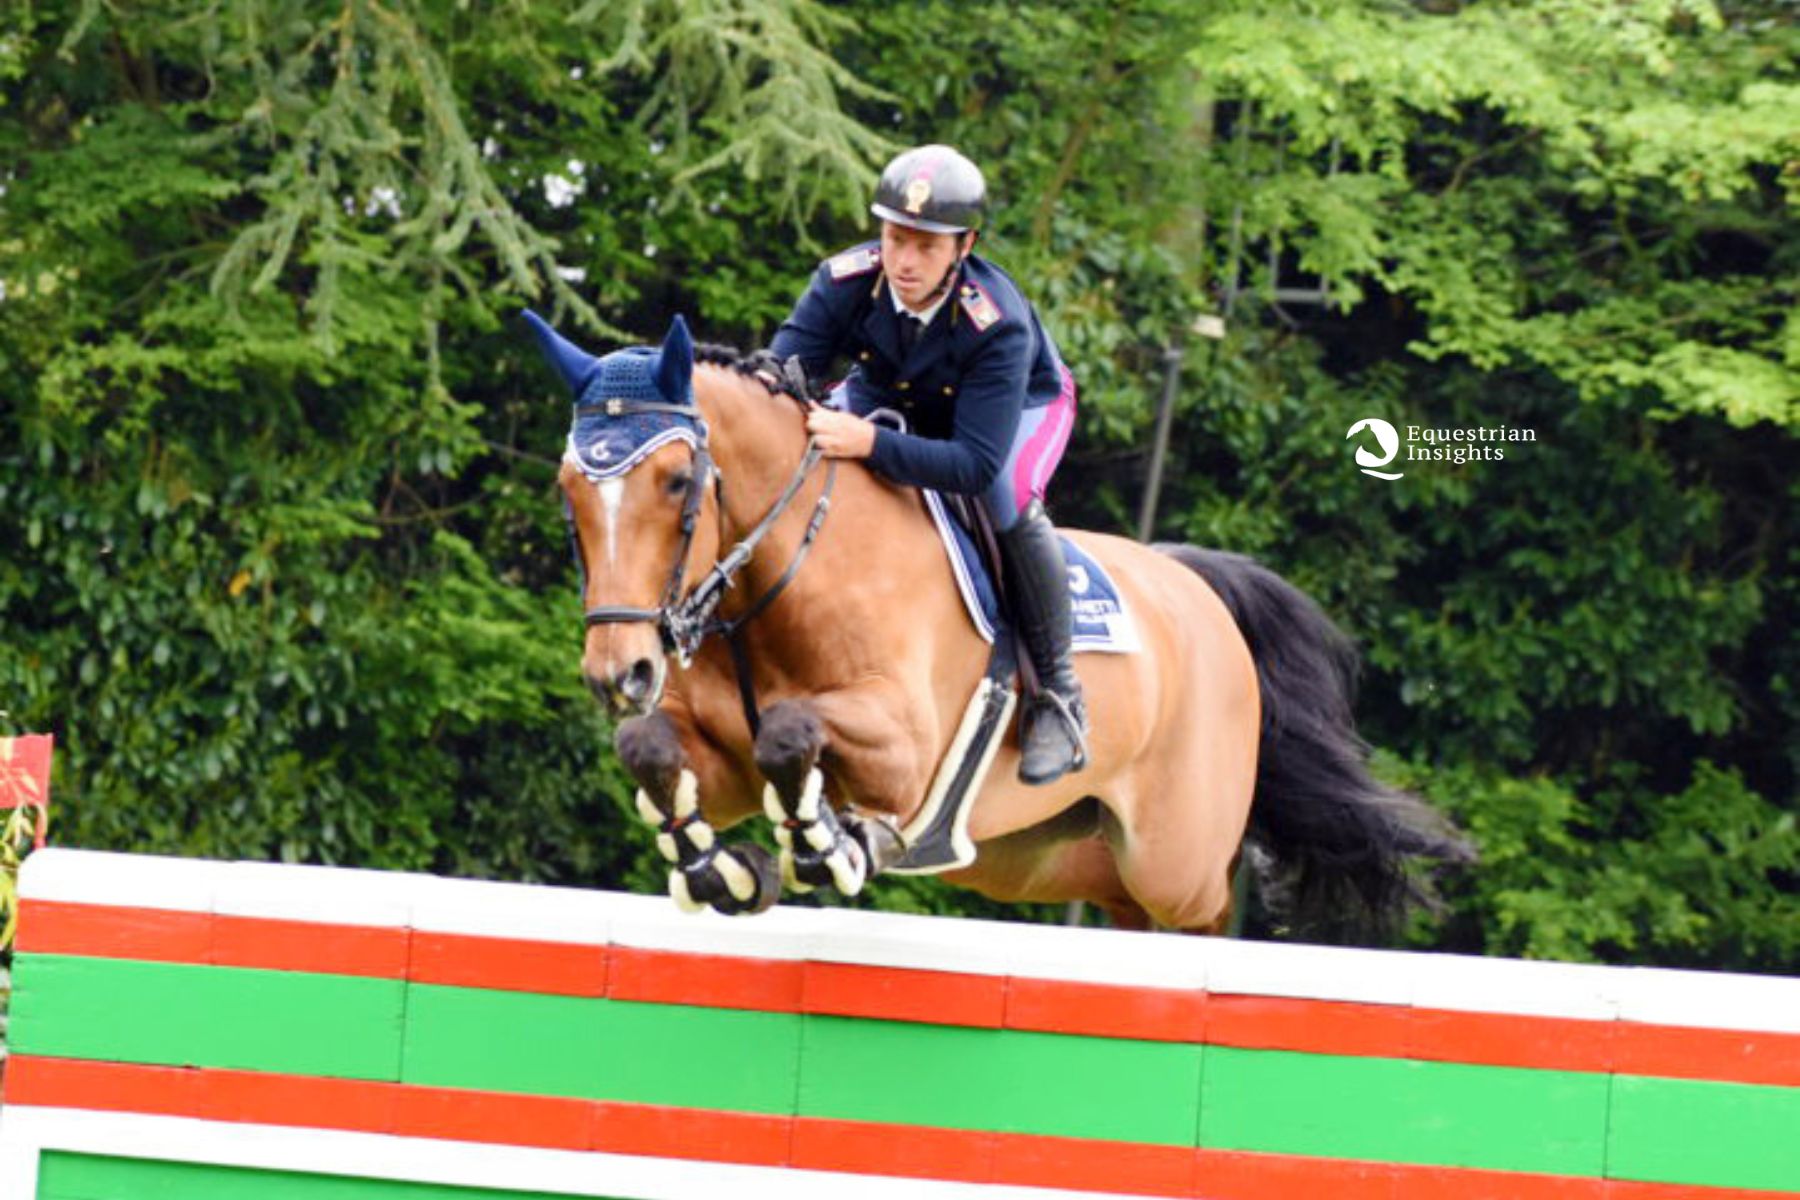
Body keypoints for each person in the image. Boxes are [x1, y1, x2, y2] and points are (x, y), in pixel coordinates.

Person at [766, 144, 1088, 786]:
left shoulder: (996, 323)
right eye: (895, 239)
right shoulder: (843, 281)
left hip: (1018, 410)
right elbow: (777, 375)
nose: (905, 262)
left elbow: (972, 464)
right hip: (890, 395)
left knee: (1006, 499)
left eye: (926, 246)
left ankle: (1059, 694)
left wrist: (868, 443)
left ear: (964, 246)